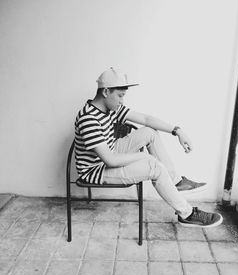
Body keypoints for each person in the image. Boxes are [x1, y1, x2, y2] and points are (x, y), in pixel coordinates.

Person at [74, 67, 223, 228]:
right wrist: (144, 157)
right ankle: (186, 214)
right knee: (154, 167)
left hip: (111, 150)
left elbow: (145, 119)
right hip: (96, 170)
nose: (122, 101)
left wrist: (177, 130)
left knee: (149, 132)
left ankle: (175, 181)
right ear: (105, 92)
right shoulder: (88, 118)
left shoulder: (110, 108)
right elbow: (110, 160)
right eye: (120, 95)